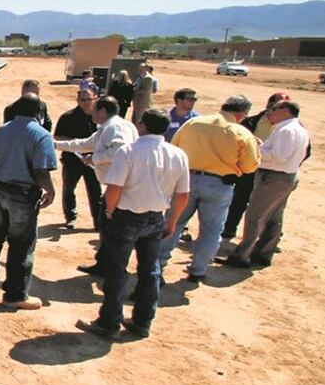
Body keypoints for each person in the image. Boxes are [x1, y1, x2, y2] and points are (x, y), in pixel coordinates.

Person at [76, 109, 190, 339]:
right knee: (149, 271)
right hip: (156, 218)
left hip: (126, 217)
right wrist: (173, 221)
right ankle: (142, 321)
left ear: (142, 125)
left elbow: (114, 188)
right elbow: (182, 195)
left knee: (117, 269)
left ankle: (109, 322)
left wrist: (109, 212)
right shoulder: (178, 155)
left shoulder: (128, 151)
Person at [157, 95, 260, 283]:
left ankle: (158, 264)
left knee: (174, 222)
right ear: (241, 113)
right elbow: (250, 166)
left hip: (186, 180)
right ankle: (198, 269)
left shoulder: (194, 123)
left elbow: (174, 147)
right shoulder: (241, 133)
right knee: (211, 231)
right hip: (219, 185)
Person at [0, 94, 58, 309]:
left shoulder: (0, 130)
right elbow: (40, 171)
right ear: (39, 113)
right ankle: (15, 295)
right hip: (23, 194)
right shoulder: (42, 135)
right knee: (21, 244)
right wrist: (50, 190)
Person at [52, 96, 138, 275]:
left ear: (102, 111)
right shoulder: (110, 127)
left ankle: (111, 268)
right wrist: (55, 145)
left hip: (121, 189)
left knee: (113, 229)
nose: (91, 112)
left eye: (94, 109)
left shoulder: (115, 127)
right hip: (118, 186)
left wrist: (94, 159)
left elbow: (119, 150)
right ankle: (105, 264)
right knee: (107, 227)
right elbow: (84, 144)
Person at [223, 100, 310, 268]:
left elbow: (279, 156)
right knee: (273, 218)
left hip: (273, 178)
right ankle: (262, 254)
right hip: (286, 176)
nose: (269, 112)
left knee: (255, 216)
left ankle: (242, 256)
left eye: (274, 109)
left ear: (286, 111)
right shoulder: (297, 128)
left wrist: (257, 150)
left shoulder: (286, 130)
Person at [54, 89, 102, 230]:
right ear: (78, 101)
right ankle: (70, 217)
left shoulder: (100, 118)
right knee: (69, 189)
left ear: (95, 99)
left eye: (89, 99)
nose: (86, 103)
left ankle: (98, 222)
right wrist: (76, 145)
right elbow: (58, 137)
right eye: (83, 100)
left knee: (95, 192)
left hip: (93, 161)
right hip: (72, 161)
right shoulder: (67, 117)